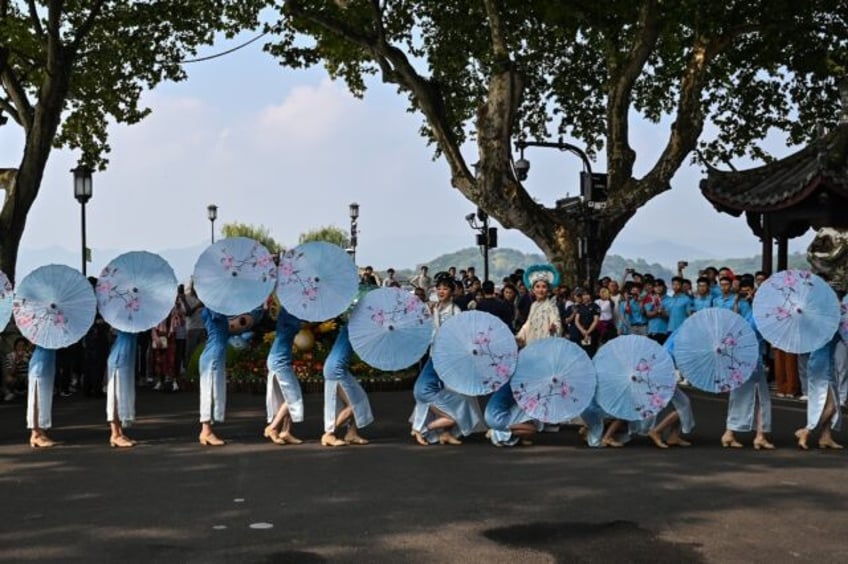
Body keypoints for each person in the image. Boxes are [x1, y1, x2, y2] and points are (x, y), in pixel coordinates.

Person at [410, 272, 485, 445]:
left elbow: (458, 335)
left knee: (455, 393)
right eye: (439, 288)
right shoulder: (432, 307)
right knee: (434, 391)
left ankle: (446, 430)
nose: (442, 291)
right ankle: (436, 427)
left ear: (452, 291)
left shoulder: (455, 310)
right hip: (435, 355)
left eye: (445, 288)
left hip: (451, 359)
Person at [719, 282, 775, 450]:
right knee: (761, 398)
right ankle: (758, 435)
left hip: (741, 359)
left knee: (741, 396)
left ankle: (732, 432)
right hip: (753, 360)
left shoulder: (749, 314)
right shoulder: (759, 316)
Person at [264, 305, 305, 446]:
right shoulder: (290, 312)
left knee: (286, 397)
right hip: (279, 362)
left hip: (280, 360)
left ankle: (286, 431)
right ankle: (273, 427)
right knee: (293, 397)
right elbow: (295, 325)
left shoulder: (289, 311)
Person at [795, 335, 843, 450]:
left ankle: (825, 437)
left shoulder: (823, 322)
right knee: (832, 406)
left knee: (826, 403)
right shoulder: (831, 323)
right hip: (823, 365)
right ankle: (807, 430)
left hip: (821, 362)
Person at [198, 308, 231, 446]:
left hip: (215, 353)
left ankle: (207, 430)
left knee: (211, 390)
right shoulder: (213, 308)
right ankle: (206, 431)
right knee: (209, 392)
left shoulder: (213, 307)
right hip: (213, 355)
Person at [105, 331, 137, 448]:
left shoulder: (132, 321)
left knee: (123, 396)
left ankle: (119, 432)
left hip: (125, 358)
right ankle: (114, 434)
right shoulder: (122, 320)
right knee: (116, 397)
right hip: (119, 360)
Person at [516, 265, 562, 346]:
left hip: (546, 344)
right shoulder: (533, 305)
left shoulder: (551, 306)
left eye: (544, 287)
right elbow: (528, 323)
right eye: (537, 287)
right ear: (533, 290)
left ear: (548, 289)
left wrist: (554, 328)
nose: (540, 290)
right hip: (532, 342)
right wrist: (520, 336)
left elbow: (556, 322)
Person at [484, 382, 540, 447]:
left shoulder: (506, 384)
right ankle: (497, 432)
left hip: (489, 416)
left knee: (526, 418)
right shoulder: (516, 385)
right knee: (532, 428)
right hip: (499, 419)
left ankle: (501, 432)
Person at [26, 346, 57, 448]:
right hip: (39, 365)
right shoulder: (44, 335)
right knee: (38, 395)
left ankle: (39, 431)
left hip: (45, 361)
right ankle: (36, 433)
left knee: (44, 397)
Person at [3, 337, 30, 401]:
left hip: (26, 377)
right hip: (16, 377)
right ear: (15, 347)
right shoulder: (10, 356)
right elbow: (11, 373)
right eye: (19, 346)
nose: (21, 348)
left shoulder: (29, 355)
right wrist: (16, 361)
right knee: (9, 379)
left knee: (30, 379)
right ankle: (12, 392)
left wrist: (25, 359)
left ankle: (28, 393)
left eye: (23, 346)